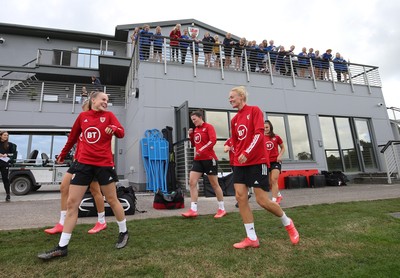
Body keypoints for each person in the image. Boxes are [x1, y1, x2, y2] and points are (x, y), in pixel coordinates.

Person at [38, 91, 129, 260]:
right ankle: (62, 246)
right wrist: (63, 154)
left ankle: (123, 232)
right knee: (72, 203)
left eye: (107, 100)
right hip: (83, 165)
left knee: (112, 199)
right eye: (103, 99)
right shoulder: (82, 117)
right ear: (93, 100)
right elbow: (72, 138)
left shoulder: (109, 116)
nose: (105, 102)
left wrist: (115, 128)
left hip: (104, 165)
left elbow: (122, 132)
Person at [228, 86, 299, 249]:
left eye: (232, 97)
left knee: (262, 200)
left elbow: (259, 134)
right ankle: (251, 238)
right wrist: (236, 154)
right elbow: (235, 140)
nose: (230, 99)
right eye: (229, 98)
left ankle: (287, 222)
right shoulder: (234, 120)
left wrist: (247, 151)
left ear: (241, 96)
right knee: (240, 197)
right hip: (240, 163)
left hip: (257, 161)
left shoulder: (254, 111)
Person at [44, 99, 108, 235]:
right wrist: (63, 154)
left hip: (90, 163)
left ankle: (101, 221)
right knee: (63, 187)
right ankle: (62, 222)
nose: (84, 113)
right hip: (77, 162)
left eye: (86, 109)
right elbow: (72, 140)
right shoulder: (82, 122)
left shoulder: (97, 123)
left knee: (95, 191)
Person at [181, 110, 227, 219]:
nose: (193, 122)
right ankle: (193, 209)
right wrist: (191, 135)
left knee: (214, 184)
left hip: (209, 159)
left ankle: (222, 209)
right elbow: (194, 143)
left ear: (200, 117)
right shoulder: (196, 130)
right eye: (192, 120)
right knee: (192, 182)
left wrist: (201, 149)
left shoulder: (209, 127)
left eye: (194, 119)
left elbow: (213, 141)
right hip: (198, 160)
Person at [264, 120, 285, 205]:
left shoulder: (276, 137)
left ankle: (274, 200)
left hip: (275, 162)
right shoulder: (260, 137)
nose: (265, 129)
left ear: (270, 127)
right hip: (266, 162)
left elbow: (283, 148)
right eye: (264, 127)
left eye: (267, 127)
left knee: (274, 179)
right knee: (270, 182)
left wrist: (280, 155)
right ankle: (278, 195)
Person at [0, 131, 17, 202]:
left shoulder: (10, 145)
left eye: (7, 135)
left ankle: (8, 194)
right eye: (4, 135)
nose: (6, 136)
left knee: (5, 179)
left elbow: (13, 154)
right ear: (0, 136)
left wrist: (6, 155)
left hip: (4, 164)